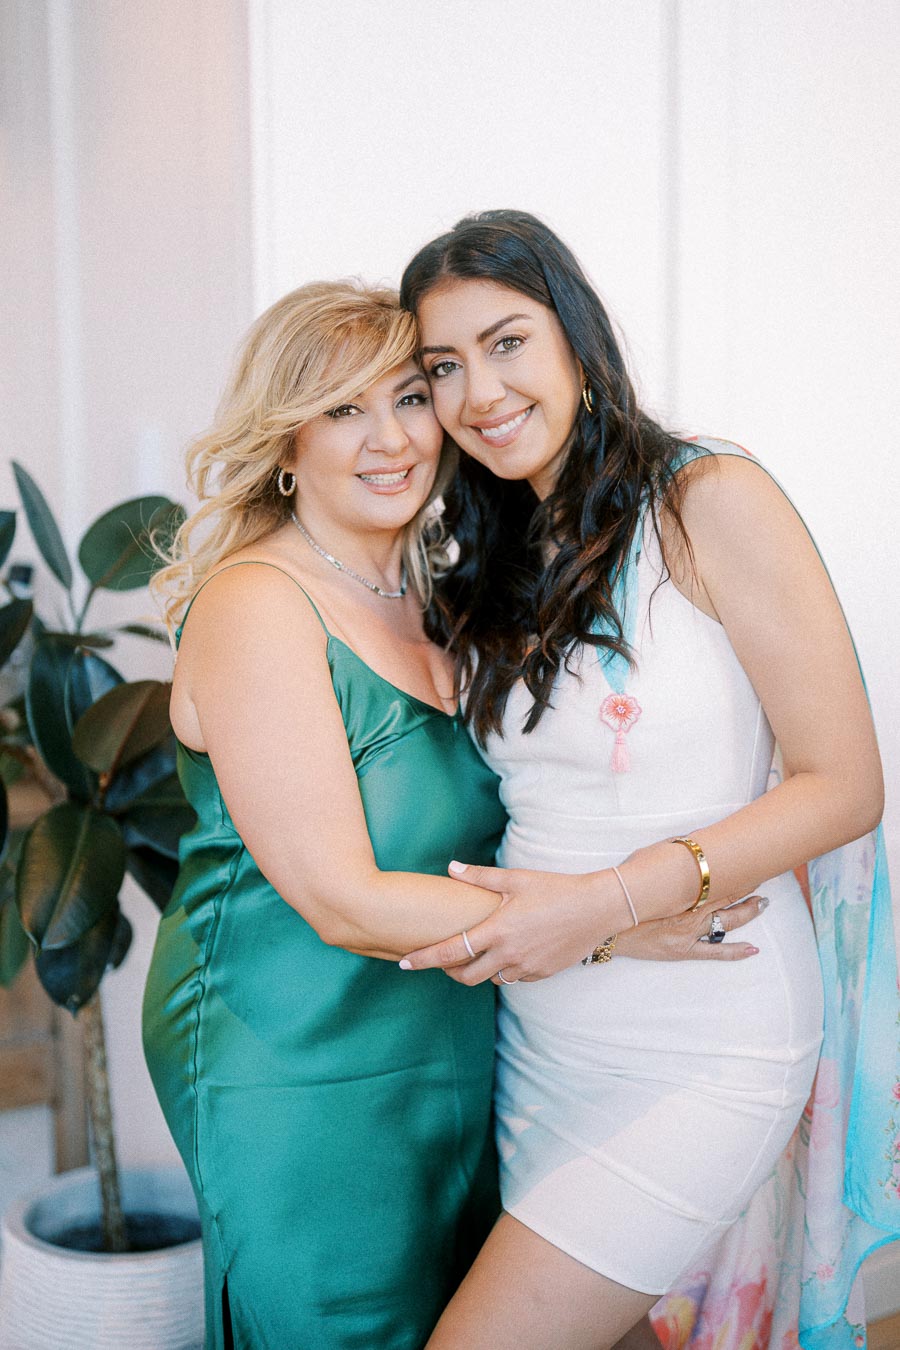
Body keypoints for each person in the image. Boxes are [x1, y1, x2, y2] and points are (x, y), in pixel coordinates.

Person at [142, 280, 758, 1350]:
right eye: (342, 410)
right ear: (285, 445)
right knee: (342, 1323)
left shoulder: (434, 599)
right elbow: (342, 898)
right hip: (294, 1049)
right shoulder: (257, 602)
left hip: (440, 1031)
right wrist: (613, 920)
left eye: (410, 398)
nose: (390, 439)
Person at [398, 211, 899, 1350]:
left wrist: (614, 901)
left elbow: (845, 782)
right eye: (443, 366)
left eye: (508, 341)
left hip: (701, 1041)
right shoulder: (486, 553)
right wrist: (589, 932)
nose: (480, 390)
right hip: (542, 1038)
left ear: (575, 335)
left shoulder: (707, 501)